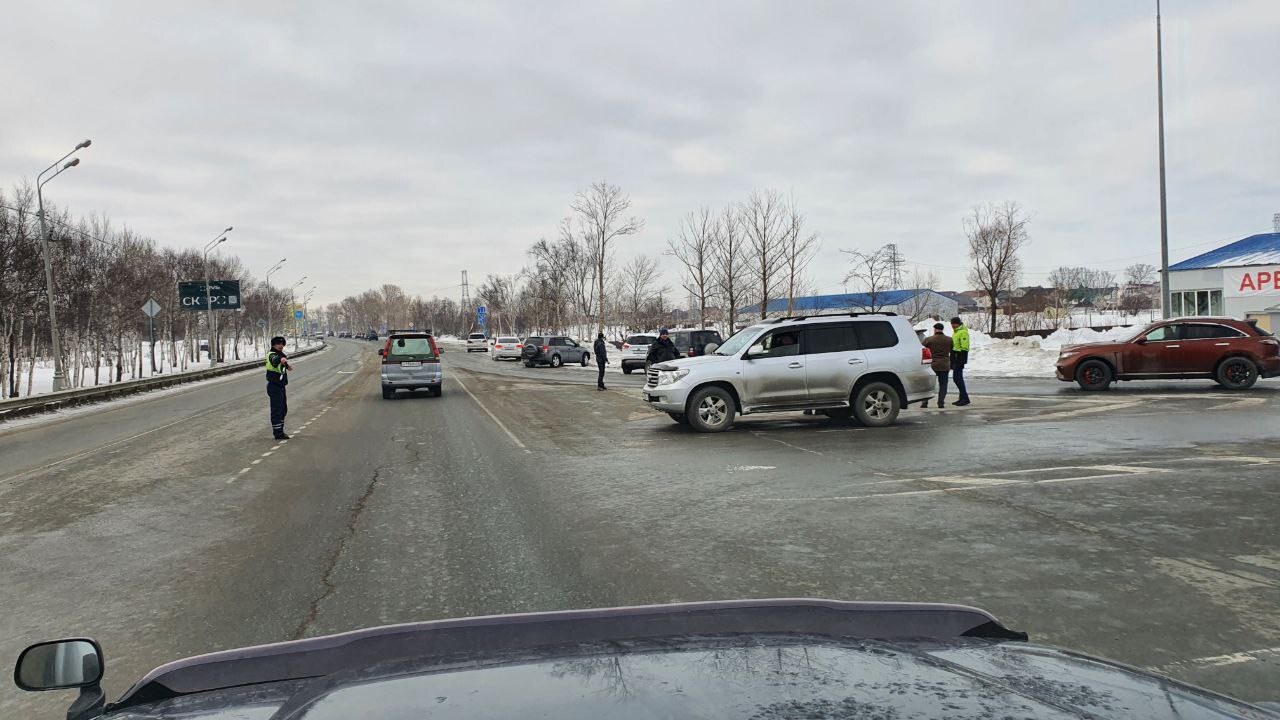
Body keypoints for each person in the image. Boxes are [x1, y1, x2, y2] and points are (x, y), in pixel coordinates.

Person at [265, 336, 293, 439]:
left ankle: (280, 430)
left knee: (283, 409)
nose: (280, 346)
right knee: (277, 409)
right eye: (278, 344)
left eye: (282, 344)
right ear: (273, 345)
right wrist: (281, 361)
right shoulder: (272, 355)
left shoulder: (280, 355)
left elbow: (282, 361)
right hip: (274, 386)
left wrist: (287, 366)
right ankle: (277, 433)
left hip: (280, 386)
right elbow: (275, 360)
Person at [921, 323, 952, 408]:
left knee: (927, 385)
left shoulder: (928, 339)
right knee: (943, 385)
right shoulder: (949, 340)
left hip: (932, 365)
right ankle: (940, 403)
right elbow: (952, 352)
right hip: (944, 365)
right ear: (942, 329)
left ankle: (924, 403)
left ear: (935, 329)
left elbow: (922, 350)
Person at [949, 317, 971, 406]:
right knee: (958, 378)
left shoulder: (963, 332)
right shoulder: (956, 332)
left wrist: (960, 359)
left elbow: (964, 347)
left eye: (954, 324)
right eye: (952, 324)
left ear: (958, 324)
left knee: (957, 378)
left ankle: (965, 398)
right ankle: (962, 398)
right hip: (955, 357)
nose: (953, 325)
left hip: (959, 357)